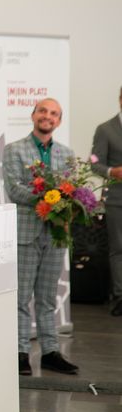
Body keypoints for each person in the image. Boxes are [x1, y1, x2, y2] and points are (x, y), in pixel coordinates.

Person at [2, 98, 79, 376]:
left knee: (47, 298)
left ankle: (49, 352)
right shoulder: (14, 150)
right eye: (43, 111)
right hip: (25, 233)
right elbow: (14, 190)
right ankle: (21, 352)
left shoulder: (68, 155)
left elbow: (73, 191)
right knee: (21, 297)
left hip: (56, 234)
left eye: (54, 113)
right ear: (33, 115)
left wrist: (62, 201)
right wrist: (50, 197)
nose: (48, 116)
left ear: (59, 121)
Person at [90, 87, 122, 316]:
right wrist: (112, 171)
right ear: (120, 99)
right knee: (118, 249)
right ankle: (120, 297)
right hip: (116, 199)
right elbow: (94, 164)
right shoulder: (105, 129)